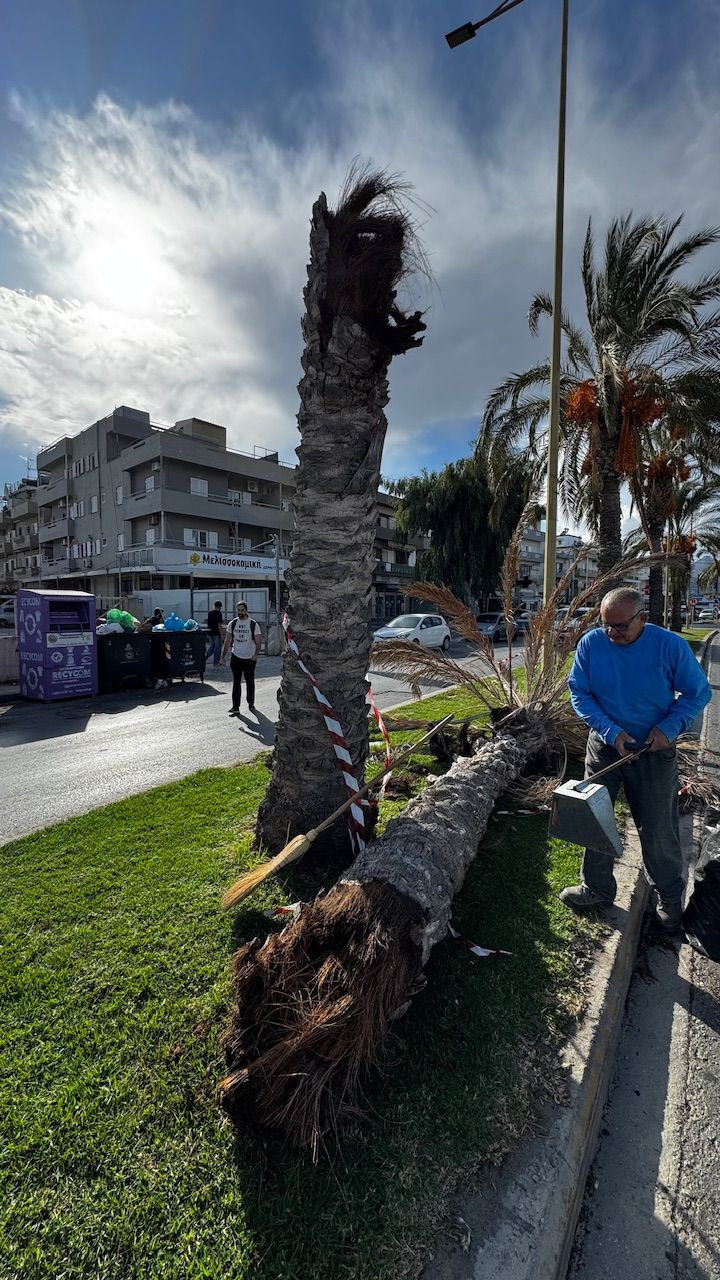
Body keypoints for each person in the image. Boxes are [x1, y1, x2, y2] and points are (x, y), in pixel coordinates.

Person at [562, 587, 712, 932]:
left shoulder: (669, 645)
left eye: (620, 627)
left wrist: (669, 728)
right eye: (605, 626)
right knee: (593, 819)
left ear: (642, 619)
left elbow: (697, 692)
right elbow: (579, 692)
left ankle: (669, 901)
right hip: (605, 748)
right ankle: (596, 888)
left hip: (653, 752)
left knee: (658, 829)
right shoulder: (591, 644)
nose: (611, 634)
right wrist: (610, 731)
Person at [221, 600, 262, 715]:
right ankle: (235, 707)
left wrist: (255, 655)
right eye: (238, 610)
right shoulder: (232, 624)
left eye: (242, 610)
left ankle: (251, 704)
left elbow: (258, 641)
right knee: (236, 682)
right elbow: (227, 641)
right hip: (236, 657)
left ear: (246, 610)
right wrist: (222, 656)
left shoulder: (253, 624)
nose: (240, 612)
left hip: (249, 658)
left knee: (250, 682)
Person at [206, 600, 224, 666]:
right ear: (220, 607)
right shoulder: (219, 613)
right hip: (216, 633)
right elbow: (219, 624)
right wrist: (222, 634)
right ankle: (216, 662)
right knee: (218, 647)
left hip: (210, 632)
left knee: (212, 646)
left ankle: (205, 656)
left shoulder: (210, 613)